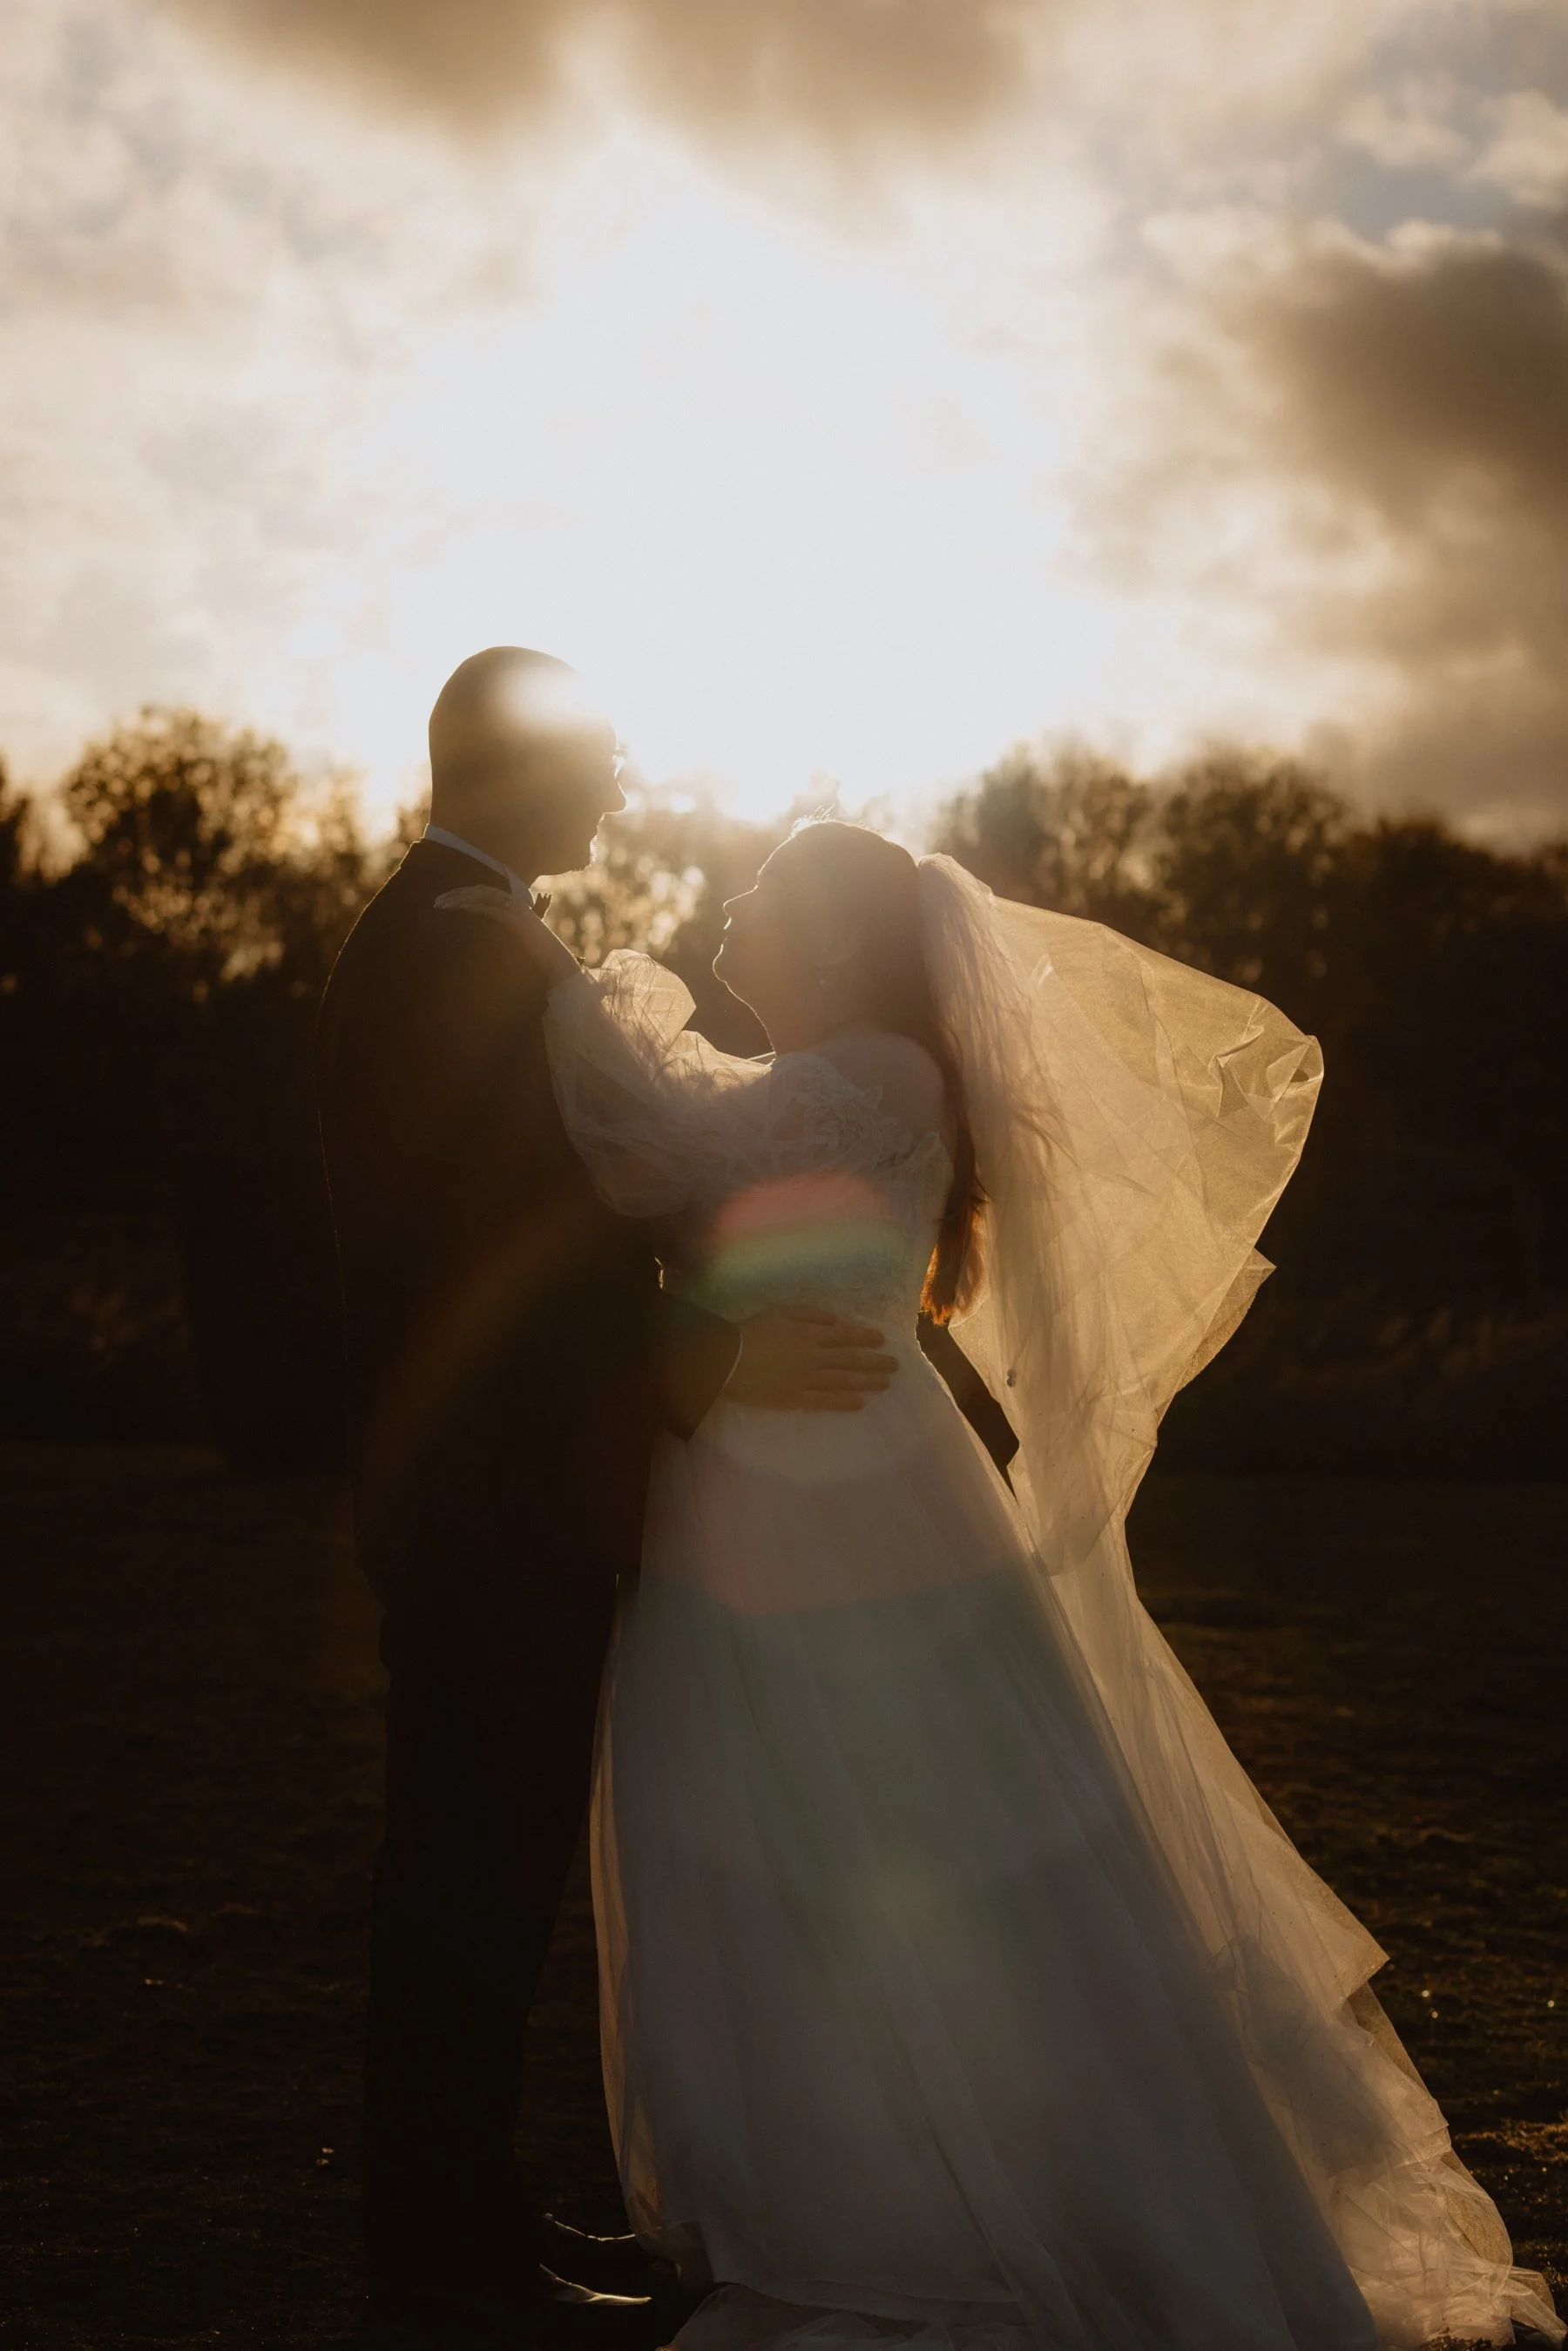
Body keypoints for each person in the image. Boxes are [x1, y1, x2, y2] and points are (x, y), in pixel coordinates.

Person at [439, 818, 1563, 2351]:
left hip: (843, 1506)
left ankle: (942, 2191)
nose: (735, 903)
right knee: (766, 1830)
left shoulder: (882, 1076)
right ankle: (819, 2172)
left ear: (833, 942)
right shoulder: (826, 1077)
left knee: (895, 1825)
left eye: (768, 888)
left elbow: (649, 1134)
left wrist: (552, 985)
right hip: (745, 1490)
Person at [314, 652, 900, 2347]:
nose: (625, 784)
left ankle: (464, 2217)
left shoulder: (464, 934)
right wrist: (692, 1355)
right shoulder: (455, 953)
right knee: (465, 1870)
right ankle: (440, 2250)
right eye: (600, 756)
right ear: (510, 766)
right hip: (498, 1500)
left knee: (476, 1864)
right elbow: (511, 1255)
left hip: (502, 1494)